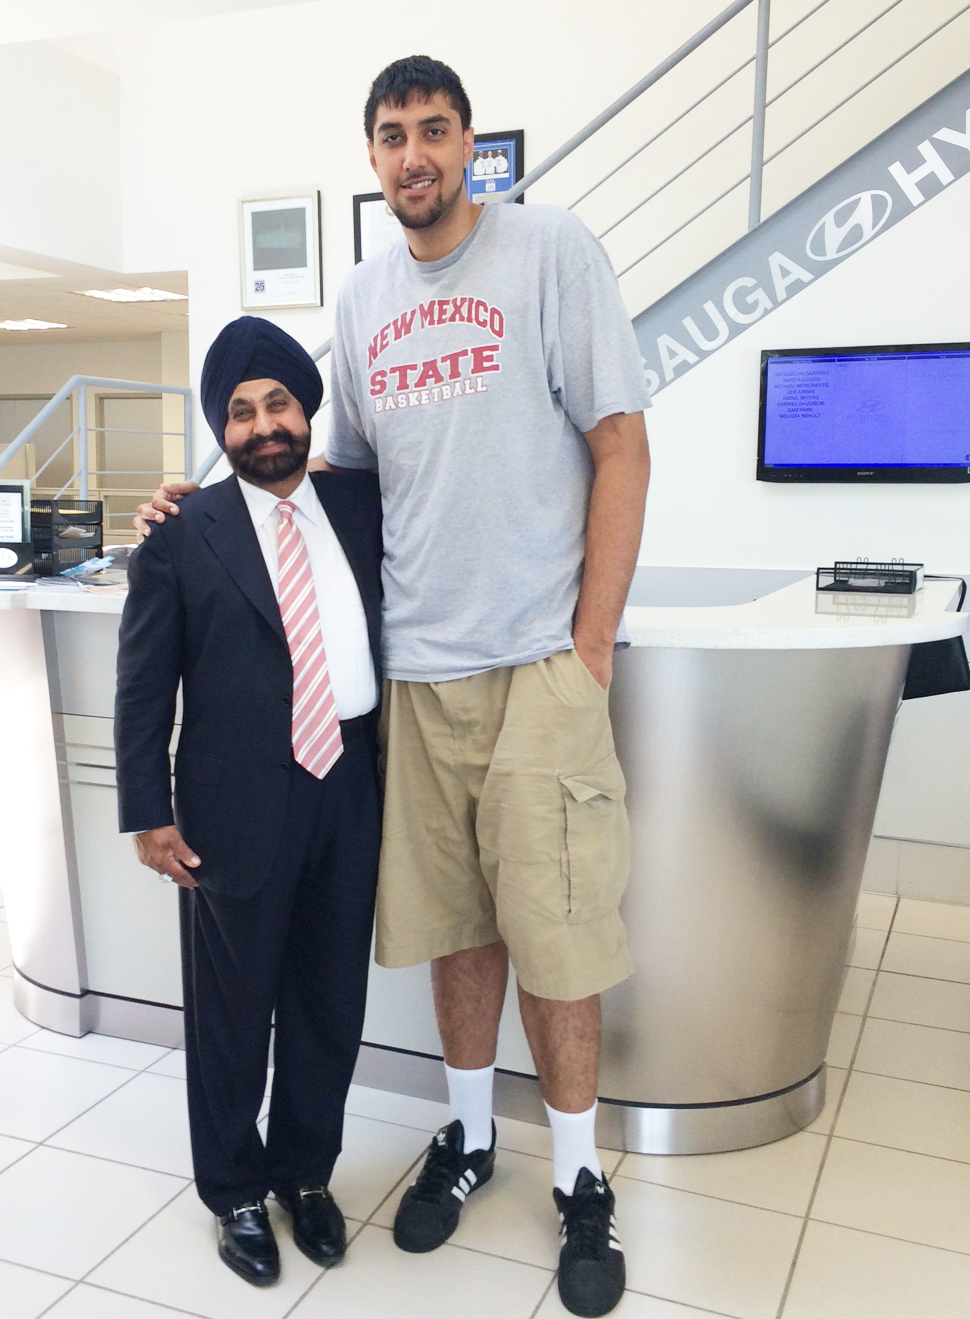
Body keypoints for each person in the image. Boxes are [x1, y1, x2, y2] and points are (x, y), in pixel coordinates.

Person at [135, 54, 649, 1318]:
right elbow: (350, 479)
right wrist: (203, 499)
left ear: (469, 143)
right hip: (414, 688)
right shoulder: (363, 302)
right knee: (458, 930)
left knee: (553, 932)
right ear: (370, 158)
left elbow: (621, 442)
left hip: (535, 664)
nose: (412, 153)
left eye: (433, 129)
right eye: (389, 135)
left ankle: (578, 1176)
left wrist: (590, 644)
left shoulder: (550, 252)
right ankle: (464, 1138)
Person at [116, 316, 383, 1288]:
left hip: (351, 786)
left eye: (278, 403)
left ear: (306, 410)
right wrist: (147, 809)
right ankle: (233, 1188)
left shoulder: (361, 503)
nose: (263, 425)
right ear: (220, 429)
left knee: (328, 1000)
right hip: (232, 803)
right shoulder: (182, 532)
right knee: (232, 1013)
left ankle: (304, 1174)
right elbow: (144, 682)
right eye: (239, 411)